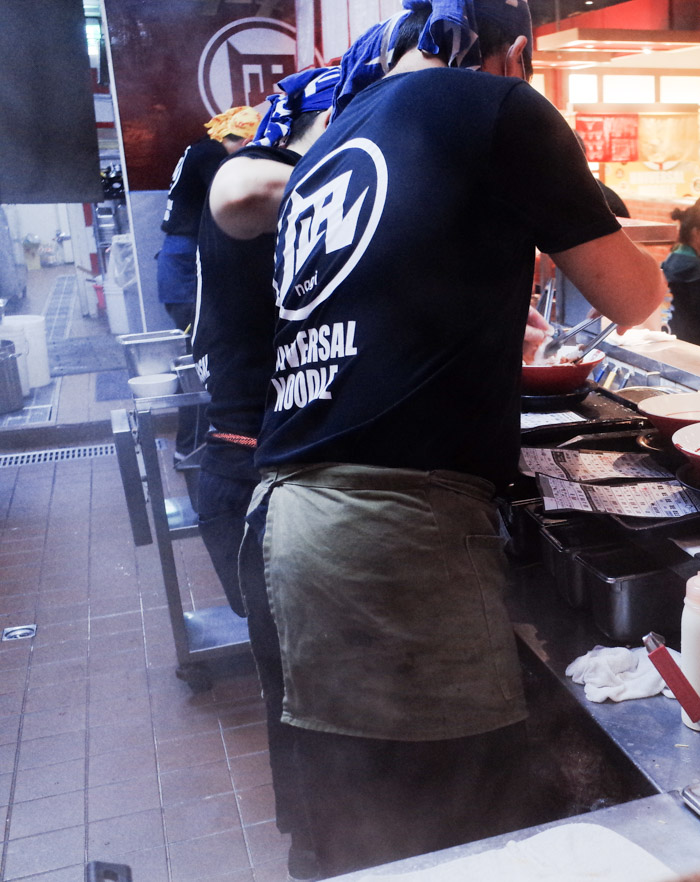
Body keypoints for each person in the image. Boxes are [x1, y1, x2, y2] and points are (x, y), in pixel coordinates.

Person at [248, 3, 665, 876]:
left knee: (358, 818)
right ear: (514, 53)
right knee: (458, 826)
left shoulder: (333, 138)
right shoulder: (499, 106)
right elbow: (637, 300)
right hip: (388, 536)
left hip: (289, 519)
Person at [190, 65, 339, 882]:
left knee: (307, 689)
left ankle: (328, 846)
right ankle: (317, 856)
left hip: (264, 475)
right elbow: (245, 181)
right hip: (246, 477)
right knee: (299, 692)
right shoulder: (245, 182)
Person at [157, 105, 259, 462]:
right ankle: (191, 452)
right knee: (203, 366)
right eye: (249, 144)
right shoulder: (212, 156)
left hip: (178, 264)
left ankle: (193, 450)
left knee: (204, 361)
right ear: (237, 138)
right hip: (183, 270)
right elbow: (237, 200)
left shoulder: (201, 148)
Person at [661, 201, 700, 350]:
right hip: (695, 343)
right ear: (697, 232)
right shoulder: (696, 269)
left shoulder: (669, 260)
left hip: (669, 332)